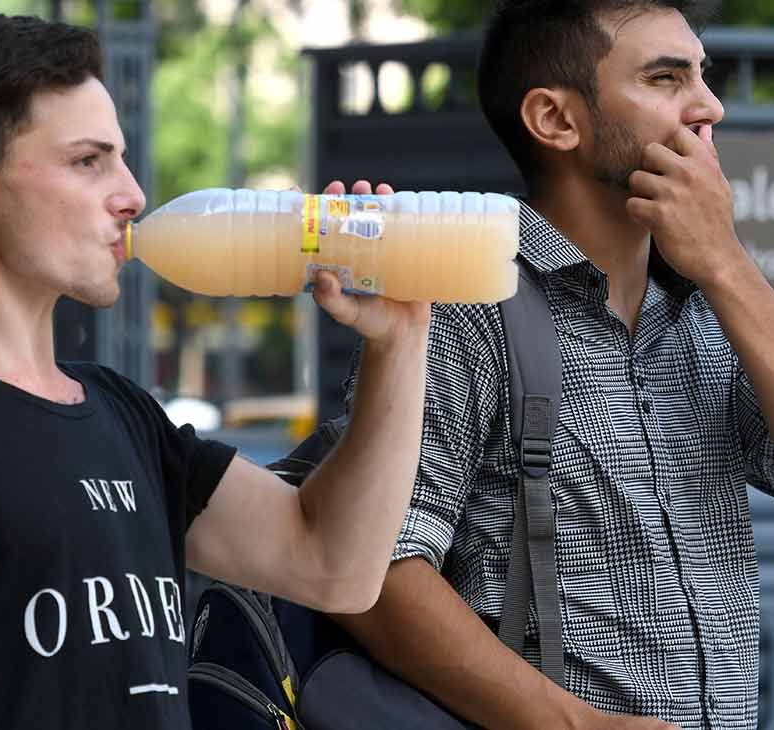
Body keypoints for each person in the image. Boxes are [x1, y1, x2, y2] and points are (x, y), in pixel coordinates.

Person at [0, 13, 432, 730]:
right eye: (89, 161)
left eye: (121, 157)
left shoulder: (120, 410)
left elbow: (334, 567)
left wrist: (399, 343)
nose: (133, 195)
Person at [331, 1, 774, 728]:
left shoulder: (715, 304)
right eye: (666, 78)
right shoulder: (464, 300)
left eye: (704, 74)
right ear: (556, 120)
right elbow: (374, 570)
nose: (709, 107)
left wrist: (726, 263)